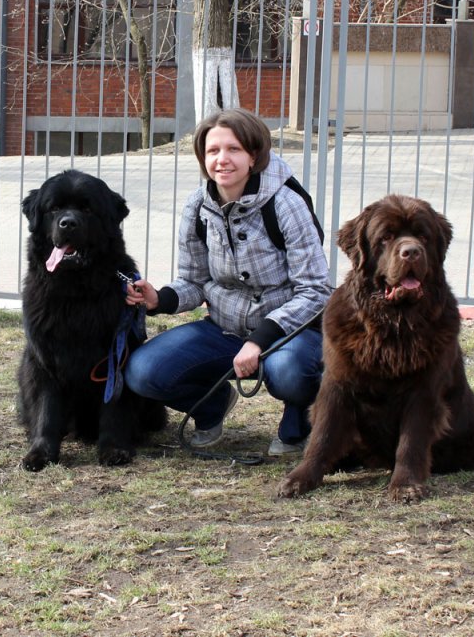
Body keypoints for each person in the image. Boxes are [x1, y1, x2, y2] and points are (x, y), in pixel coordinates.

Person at [124, 107, 331, 456]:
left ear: (254, 155)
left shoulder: (286, 203)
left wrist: (260, 340)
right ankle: (213, 405)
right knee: (143, 372)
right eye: (213, 151)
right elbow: (194, 280)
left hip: (291, 332)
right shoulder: (197, 206)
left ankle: (298, 427)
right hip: (224, 328)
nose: (222, 159)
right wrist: (160, 299)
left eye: (234, 149)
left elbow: (314, 289)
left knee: (290, 372)